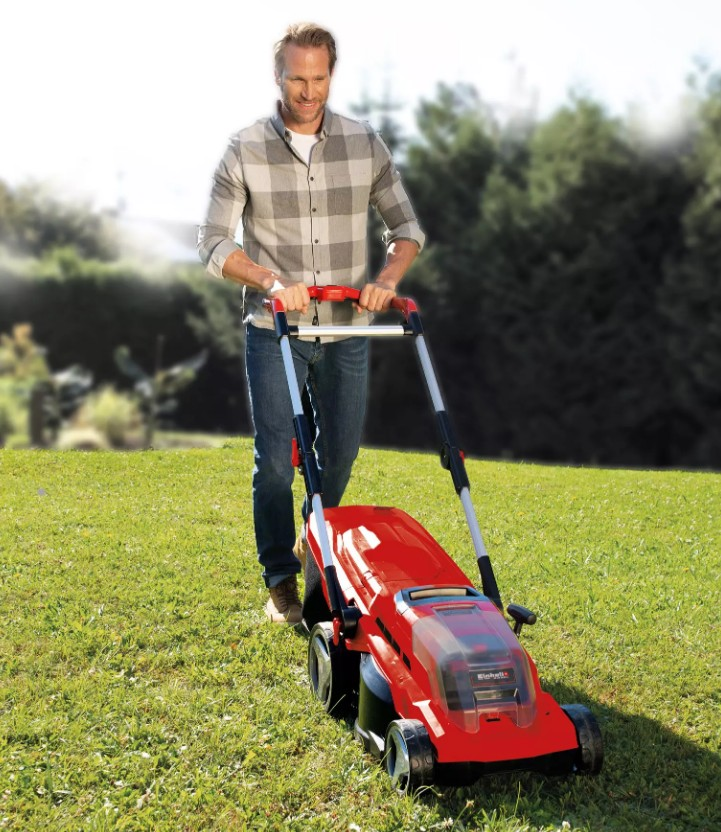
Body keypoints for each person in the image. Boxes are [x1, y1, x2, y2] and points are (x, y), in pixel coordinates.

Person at [197, 22, 425, 624]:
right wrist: (270, 281)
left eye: (319, 78)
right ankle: (280, 578)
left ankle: (310, 536)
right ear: (278, 77)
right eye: (297, 78)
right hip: (275, 330)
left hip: (348, 330)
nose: (308, 91)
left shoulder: (364, 143)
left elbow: (406, 229)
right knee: (276, 462)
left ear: (331, 74)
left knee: (341, 455)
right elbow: (213, 242)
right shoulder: (245, 148)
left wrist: (386, 280)